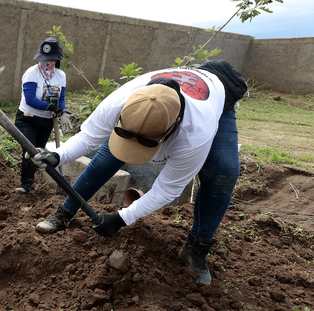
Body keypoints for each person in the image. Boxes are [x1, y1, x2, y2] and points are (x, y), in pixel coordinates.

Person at [32, 60, 247, 285]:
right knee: (105, 158)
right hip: (171, 94)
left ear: (176, 125)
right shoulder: (119, 102)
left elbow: (167, 190)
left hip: (216, 97)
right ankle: (63, 214)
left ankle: (196, 249)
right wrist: (56, 155)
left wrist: (121, 218)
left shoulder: (195, 132)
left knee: (223, 173)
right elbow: (87, 138)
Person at [14, 36, 73, 194]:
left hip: (47, 122)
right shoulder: (32, 73)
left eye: (51, 59)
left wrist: (64, 112)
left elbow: (61, 99)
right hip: (27, 118)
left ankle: (35, 182)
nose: (47, 62)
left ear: (56, 60)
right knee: (30, 150)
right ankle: (26, 185)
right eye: (44, 59)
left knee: (39, 152)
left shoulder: (61, 76)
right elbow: (30, 99)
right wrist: (51, 107)